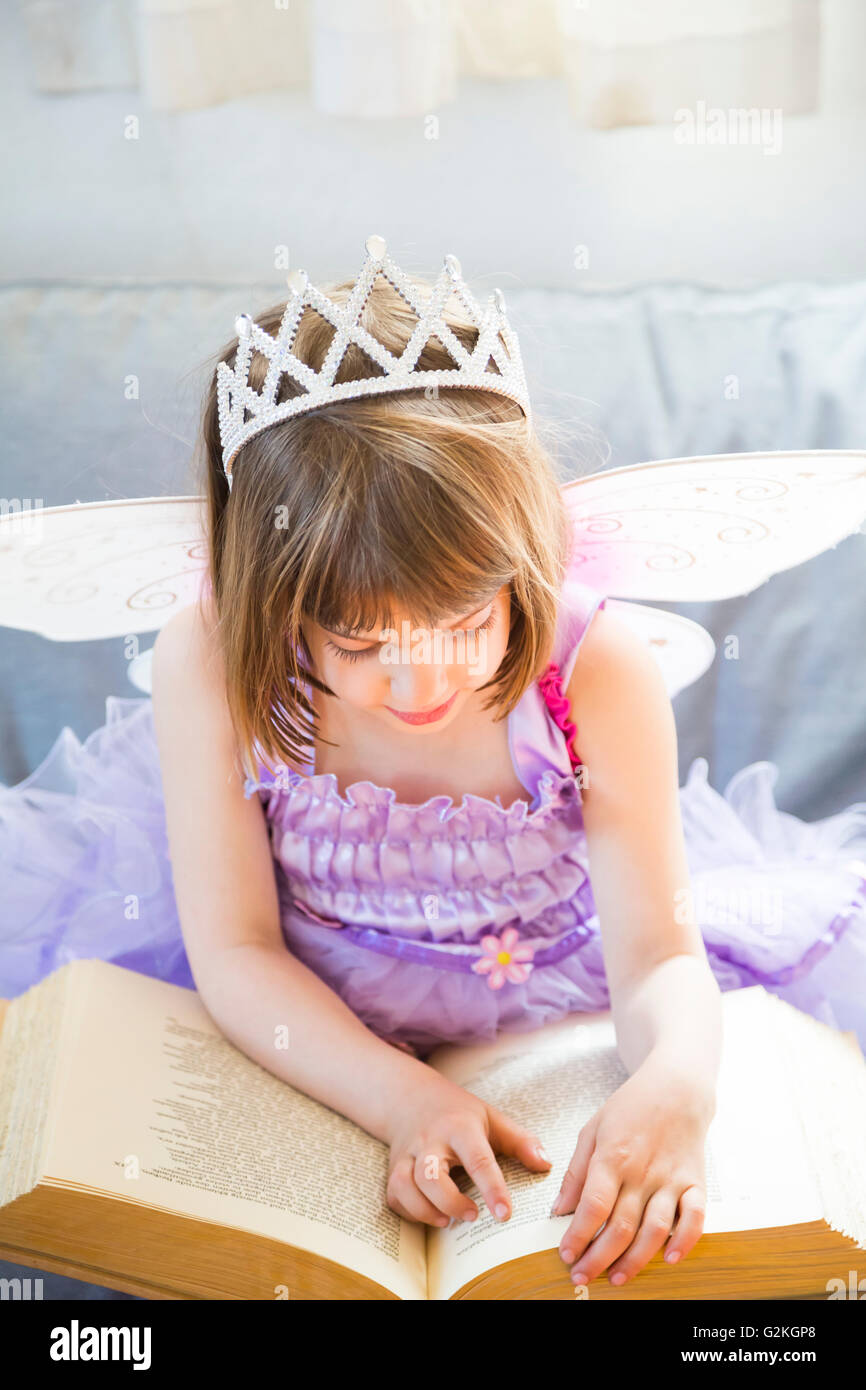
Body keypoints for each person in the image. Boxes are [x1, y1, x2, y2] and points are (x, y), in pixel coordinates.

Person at [3, 238, 865, 1293]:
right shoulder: (215, 653)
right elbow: (233, 945)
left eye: (464, 620)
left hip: (561, 1010)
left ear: (521, 555)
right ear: (269, 598)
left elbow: (656, 957)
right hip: (305, 1023)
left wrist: (676, 1085)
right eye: (358, 645)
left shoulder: (593, 669)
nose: (418, 686)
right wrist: (400, 1098)